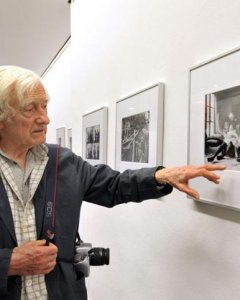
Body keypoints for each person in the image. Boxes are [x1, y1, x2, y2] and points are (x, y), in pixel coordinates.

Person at [0, 65, 225, 300]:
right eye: (30, 109)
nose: (45, 118)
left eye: (44, 106)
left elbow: (113, 185)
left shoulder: (62, 162)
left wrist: (160, 176)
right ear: (2, 118)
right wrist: (10, 263)